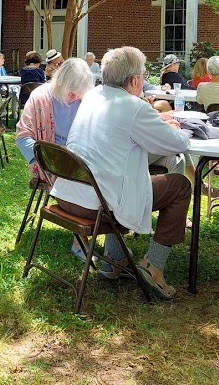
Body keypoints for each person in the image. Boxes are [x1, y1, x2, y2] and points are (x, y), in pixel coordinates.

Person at [51, 46, 192, 300]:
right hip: (97, 205)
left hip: (66, 194)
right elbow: (180, 144)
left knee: (122, 175)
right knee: (180, 185)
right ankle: (154, 267)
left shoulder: (93, 96)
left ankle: (113, 261)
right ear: (135, 80)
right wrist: (175, 127)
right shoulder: (133, 107)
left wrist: (157, 124)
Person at [16, 58, 96, 262]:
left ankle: (110, 241)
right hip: (48, 160)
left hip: (80, 155)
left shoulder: (85, 97)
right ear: (60, 81)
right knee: (85, 182)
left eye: (79, 91)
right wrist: (46, 162)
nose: (74, 96)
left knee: (103, 176)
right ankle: (81, 241)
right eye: (72, 90)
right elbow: (23, 137)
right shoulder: (41, 97)